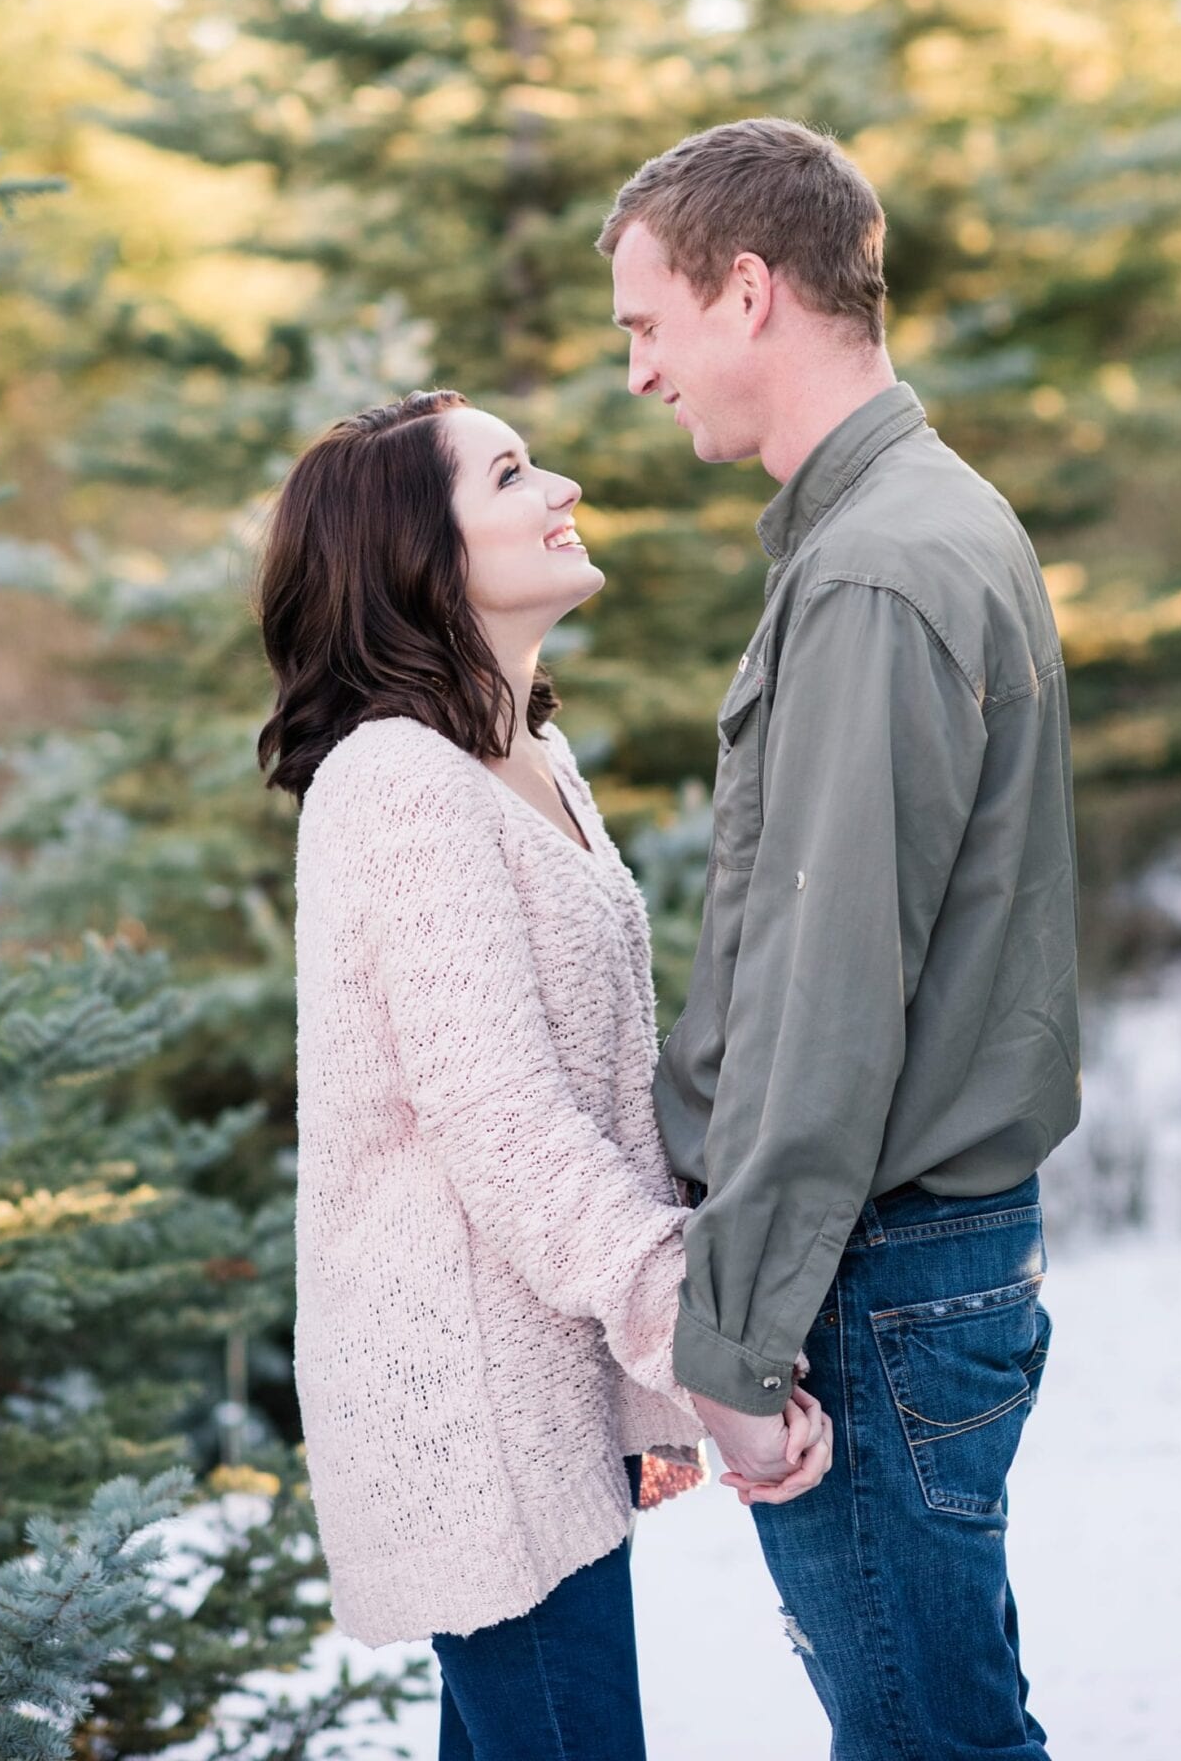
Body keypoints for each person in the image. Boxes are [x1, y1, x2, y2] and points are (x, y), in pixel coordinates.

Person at [255, 388, 834, 1761]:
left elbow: (596, 1074)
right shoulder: (396, 782)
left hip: (542, 1374)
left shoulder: (525, 754)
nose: (559, 481)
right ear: (418, 558)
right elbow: (499, 1118)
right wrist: (688, 1328)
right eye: (510, 473)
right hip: (469, 1401)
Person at [600, 116, 1082, 1760]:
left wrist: (731, 1351)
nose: (640, 377)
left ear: (747, 293)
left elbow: (826, 1002)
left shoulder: (875, 571)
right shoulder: (898, 526)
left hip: (867, 1280)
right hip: (904, 1264)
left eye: (646, 327)